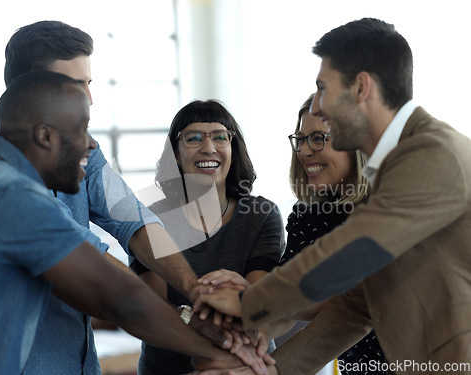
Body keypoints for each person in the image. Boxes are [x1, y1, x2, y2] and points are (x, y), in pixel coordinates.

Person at [193, 17, 471, 374]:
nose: (319, 107)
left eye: (324, 89)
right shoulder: (395, 165)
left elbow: (352, 251)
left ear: (361, 87)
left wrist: (247, 302)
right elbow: (357, 306)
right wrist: (268, 371)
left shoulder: (433, 154)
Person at [0, 71, 243, 375]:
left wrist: (191, 297)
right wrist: (215, 355)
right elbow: (120, 297)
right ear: (45, 135)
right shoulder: (17, 198)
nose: (91, 145)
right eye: (81, 130)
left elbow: (131, 220)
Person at [1, 20, 205, 374]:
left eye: (89, 83)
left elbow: (132, 217)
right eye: (75, 85)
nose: (90, 99)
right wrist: (197, 331)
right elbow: (93, 269)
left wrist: (194, 288)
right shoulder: (4, 182)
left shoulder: (82, 149)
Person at [130, 99, 285, 375]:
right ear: (175, 153)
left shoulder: (261, 215)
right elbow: (153, 308)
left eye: (220, 137)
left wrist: (233, 309)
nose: (208, 147)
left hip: (244, 367)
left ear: (232, 149)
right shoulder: (150, 219)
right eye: (194, 138)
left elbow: (257, 303)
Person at [282, 93, 386, 374]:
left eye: (317, 138)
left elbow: (352, 306)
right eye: (300, 139)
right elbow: (285, 298)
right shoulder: (308, 215)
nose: (304, 151)